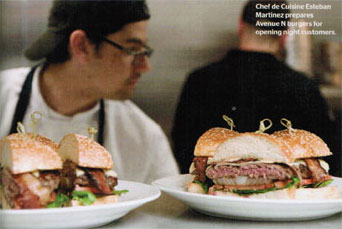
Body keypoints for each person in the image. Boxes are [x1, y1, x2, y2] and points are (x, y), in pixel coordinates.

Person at [0, 0, 179, 184]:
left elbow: (167, 209)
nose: (145, 67)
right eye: (132, 50)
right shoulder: (4, 94)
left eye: (144, 52)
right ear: (81, 46)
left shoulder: (144, 137)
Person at [171, 0, 341, 176]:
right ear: (285, 36)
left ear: (240, 26)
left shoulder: (199, 80)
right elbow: (330, 157)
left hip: (208, 196)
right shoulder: (305, 87)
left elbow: (182, 147)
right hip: (286, 199)